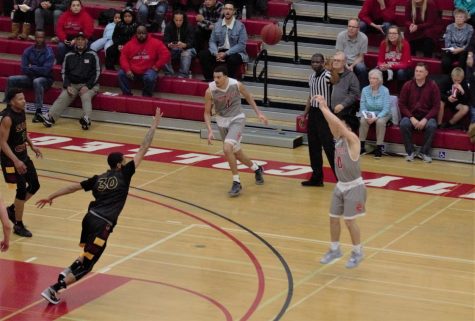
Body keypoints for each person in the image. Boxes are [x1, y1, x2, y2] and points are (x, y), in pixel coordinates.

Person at [38, 108, 162, 305]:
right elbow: (143, 148)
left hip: (89, 219)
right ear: (120, 165)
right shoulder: (125, 174)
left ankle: (67, 272)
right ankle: (55, 289)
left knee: (87, 253)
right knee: (90, 264)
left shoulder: (98, 179)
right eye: (124, 160)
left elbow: (73, 187)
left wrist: (51, 195)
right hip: (102, 224)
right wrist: (154, 125)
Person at [314, 95, 367, 269]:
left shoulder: (353, 140)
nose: (338, 126)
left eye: (341, 124)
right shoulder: (339, 140)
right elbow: (333, 125)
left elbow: (338, 126)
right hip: (340, 186)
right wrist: (324, 108)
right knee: (333, 218)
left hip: (355, 187)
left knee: (350, 221)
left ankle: (358, 251)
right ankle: (335, 249)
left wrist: (323, 108)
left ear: (349, 127)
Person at [204, 65, 268, 197]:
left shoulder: (236, 85)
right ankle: (257, 169)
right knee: (236, 153)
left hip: (237, 118)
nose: (216, 79)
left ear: (226, 76)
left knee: (227, 149)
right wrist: (210, 130)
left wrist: (259, 113)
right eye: (214, 77)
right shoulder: (210, 91)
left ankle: (236, 182)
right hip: (221, 121)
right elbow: (206, 113)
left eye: (219, 77)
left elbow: (249, 97)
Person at [0, 88, 42, 238]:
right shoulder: (7, 118)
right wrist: (16, 161)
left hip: (23, 155)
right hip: (10, 160)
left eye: (24, 98)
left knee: (35, 185)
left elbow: (23, 131)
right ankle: (18, 224)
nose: (24, 101)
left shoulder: (21, 112)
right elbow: (2, 143)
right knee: (21, 189)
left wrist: (31, 144)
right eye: (20, 99)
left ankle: (12, 210)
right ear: (11, 101)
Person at [38, 32, 100, 130]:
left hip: (90, 85)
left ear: (86, 41)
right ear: (75, 42)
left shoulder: (93, 54)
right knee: (63, 96)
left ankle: (86, 119)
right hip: (73, 84)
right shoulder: (69, 55)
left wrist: (87, 86)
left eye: (82, 40)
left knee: (86, 96)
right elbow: (64, 72)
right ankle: (50, 117)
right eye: (78, 40)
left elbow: (97, 72)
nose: (80, 42)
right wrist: (67, 85)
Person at [299, 53, 335, 187]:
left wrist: (331, 69)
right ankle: (317, 178)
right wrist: (304, 114)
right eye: (313, 62)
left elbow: (336, 81)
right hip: (313, 113)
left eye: (318, 62)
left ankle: (341, 178)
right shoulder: (311, 77)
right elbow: (311, 96)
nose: (315, 64)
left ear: (323, 62)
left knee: (329, 146)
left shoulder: (327, 75)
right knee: (313, 146)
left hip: (324, 113)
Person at [3, 30, 54, 122]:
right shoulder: (28, 50)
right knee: (11, 79)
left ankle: (38, 112)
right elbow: (23, 69)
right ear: (35, 38)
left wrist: (32, 67)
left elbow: (46, 71)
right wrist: (37, 69)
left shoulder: (49, 52)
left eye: (41, 37)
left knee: (37, 81)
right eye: (38, 37)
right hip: (30, 77)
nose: (39, 39)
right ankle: (8, 107)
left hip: (45, 80)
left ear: (44, 38)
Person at [399, 63, 440, 162]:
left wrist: (425, 119)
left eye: (420, 71)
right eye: (416, 71)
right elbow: (402, 104)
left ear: (426, 73)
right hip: (411, 117)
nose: (418, 73)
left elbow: (436, 107)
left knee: (432, 125)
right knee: (404, 123)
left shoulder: (433, 86)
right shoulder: (407, 85)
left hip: (427, 117)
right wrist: (411, 118)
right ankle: (410, 152)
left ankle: (424, 152)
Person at [199, 1, 248, 81]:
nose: (227, 11)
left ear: (234, 11)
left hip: (234, 52)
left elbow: (241, 45)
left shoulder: (240, 26)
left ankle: (228, 81)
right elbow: (212, 41)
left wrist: (226, 53)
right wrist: (215, 53)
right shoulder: (217, 24)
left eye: (230, 9)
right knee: (203, 54)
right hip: (219, 51)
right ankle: (211, 79)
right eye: (226, 9)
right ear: (223, 10)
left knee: (233, 59)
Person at [118, 25, 170, 97]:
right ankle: (127, 94)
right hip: (133, 71)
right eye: (139, 33)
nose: (141, 35)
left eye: (143, 33)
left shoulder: (156, 42)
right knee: (121, 73)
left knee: (149, 77)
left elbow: (166, 54)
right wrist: (127, 70)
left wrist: (157, 66)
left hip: (149, 70)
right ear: (136, 34)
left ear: (147, 33)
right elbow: (123, 58)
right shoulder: (129, 44)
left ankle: (146, 95)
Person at [359, 69, 391, 158]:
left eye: (374, 78)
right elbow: (362, 106)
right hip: (369, 113)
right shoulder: (365, 90)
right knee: (362, 120)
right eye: (370, 78)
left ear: (379, 80)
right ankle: (361, 146)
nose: (371, 80)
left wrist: (376, 118)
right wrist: (367, 116)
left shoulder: (385, 90)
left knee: (380, 122)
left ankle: (379, 147)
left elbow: (386, 109)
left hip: (383, 113)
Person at [55, 0, 94, 65]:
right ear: (70, 7)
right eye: (74, 5)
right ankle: (60, 64)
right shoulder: (64, 15)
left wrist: (76, 40)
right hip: (67, 38)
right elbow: (59, 29)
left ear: (81, 7)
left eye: (78, 5)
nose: (76, 7)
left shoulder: (86, 16)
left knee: (79, 46)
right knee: (60, 46)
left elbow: (88, 32)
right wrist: (63, 39)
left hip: (80, 39)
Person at [335, 18, 368, 88]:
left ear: (358, 28)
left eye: (353, 27)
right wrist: (345, 65)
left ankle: (363, 90)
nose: (351, 29)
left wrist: (352, 66)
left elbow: (361, 57)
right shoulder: (341, 35)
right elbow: (339, 54)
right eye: (349, 26)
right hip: (343, 60)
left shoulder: (364, 38)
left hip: (356, 62)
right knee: (336, 64)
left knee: (361, 67)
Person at [163, 10, 196, 78]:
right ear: (173, 20)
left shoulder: (189, 26)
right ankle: (169, 74)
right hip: (173, 49)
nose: (178, 22)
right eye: (176, 20)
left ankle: (183, 75)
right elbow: (165, 42)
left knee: (186, 53)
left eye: (180, 20)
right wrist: (169, 45)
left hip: (187, 49)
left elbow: (192, 43)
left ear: (184, 20)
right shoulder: (168, 26)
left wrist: (185, 45)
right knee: (163, 53)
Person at [441, 9, 473, 74]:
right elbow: (447, 43)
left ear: (465, 19)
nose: (458, 18)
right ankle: (448, 78)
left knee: (463, 58)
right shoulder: (449, 27)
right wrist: (454, 49)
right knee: (445, 62)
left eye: (461, 17)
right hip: (451, 49)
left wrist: (460, 49)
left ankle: (459, 78)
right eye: (457, 16)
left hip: (463, 50)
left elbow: (469, 43)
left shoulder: (470, 28)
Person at [330, 51, 360, 117]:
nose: (335, 62)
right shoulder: (328, 74)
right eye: (334, 60)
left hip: (343, 111)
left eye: (338, 60)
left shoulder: (351, 76)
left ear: (344, 63)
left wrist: (343, 105)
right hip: (327, 110)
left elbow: (354, 94)